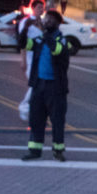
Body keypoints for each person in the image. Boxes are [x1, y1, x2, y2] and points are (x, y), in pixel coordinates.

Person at [21, 10, 71, 162]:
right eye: (46, 19)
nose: (46, 21)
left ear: (57, 23)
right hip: (39, 85)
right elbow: (24, 44)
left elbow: (56, 49)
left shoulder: (62, 40)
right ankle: (34, 150)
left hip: (55, 87)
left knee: (57, 120)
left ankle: (58, 151)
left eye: (50, 20)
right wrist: (25, 29)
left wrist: (44, 32)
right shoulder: (39, 40)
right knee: (36, 119)